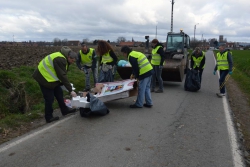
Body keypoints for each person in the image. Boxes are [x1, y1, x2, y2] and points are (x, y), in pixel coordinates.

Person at [32, 46, 78, 123]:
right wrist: (71, 90)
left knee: (59, 93)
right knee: (49, 98)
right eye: (72, 61)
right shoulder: (60, 59)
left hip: (50, 78)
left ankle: (65, 110)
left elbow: (59, 73)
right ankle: (48, 117)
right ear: (69, 57)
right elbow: (62, 75)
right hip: (43, 78)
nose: (72, 62)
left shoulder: (63, 57)